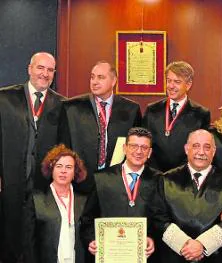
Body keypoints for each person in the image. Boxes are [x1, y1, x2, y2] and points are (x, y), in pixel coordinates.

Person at [0, 52, 65, 262]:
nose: (44, 74)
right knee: (8, 239)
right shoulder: (4, 98)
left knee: (38, 244)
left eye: (50, 70)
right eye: (40, 68)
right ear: (29, 68)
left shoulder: (63, 105)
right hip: (9, 184)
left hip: (43, 187)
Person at [149, 129, 222, 263]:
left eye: (207, 147)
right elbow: (158, 218)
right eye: (196, 146)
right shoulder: (166, 180)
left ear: (214, 151)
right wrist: (185, 244)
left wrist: (202, 245)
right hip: (174, 256)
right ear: (187, 149)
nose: (201, 152)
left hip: (214, 258)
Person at [80, 127, 159, 260]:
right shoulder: (102, 178)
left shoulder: (159, 180)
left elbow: (162, 219)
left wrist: (152, 238)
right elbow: (87, 219)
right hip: (109, 255)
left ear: (150, 152)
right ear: (124, 148)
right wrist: (91, 240)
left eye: (144, 147)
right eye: (133, 146)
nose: (138, 151)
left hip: (144, 256)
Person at [58, 61, 142, 178]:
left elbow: (137, 147)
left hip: (116, 179)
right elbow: (63, 147)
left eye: (100, 77)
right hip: (81, 179)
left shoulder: (131, 110)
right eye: (92, 77)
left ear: (113, 81)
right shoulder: (72, 108)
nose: (95, 82)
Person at [23, 144, 89, 263]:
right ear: (51, 169)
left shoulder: (84, 201)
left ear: (75, 172)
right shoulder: (36, 200)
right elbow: (28, 243)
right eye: (59, 166)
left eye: (69, 167)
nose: (63, 171)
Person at [143, 61, 211, 172]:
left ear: (188, 85)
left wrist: (179, 174)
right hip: (154, 174)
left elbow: (199, 150)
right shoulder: (152, 110)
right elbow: (145, 143)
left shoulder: (201, 114)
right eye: (168, 81)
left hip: (184, 177)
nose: (171, 86)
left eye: (177, 82)